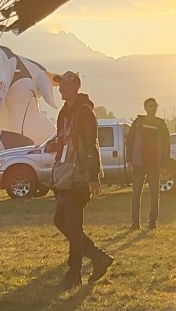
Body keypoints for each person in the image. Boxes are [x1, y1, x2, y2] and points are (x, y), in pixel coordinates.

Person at [49, 71, 113, 289]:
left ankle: (74, 273)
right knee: (61, 221)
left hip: (79, 175)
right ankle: (97, 257)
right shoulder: (63, 113)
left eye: (65, 85)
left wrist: (93, 177)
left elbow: (91, 143)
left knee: (72, 225)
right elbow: (61, 143)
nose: (61, 89)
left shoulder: (84, 112)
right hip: (65, 172)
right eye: (60, 86)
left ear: (76, 85)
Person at [126, 97, 169, 231]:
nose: (153, 108)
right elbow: (130, 141)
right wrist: (129, 160)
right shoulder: (138, 122)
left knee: (154, 193)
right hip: (139, 163)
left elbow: (167, 145)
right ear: (145, 108)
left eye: (154, 106)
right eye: (150, 106)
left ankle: (152, 223)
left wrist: (163, 165)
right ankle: (135, 223)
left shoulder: (161, 124)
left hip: (154, 164)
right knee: (136, 193)